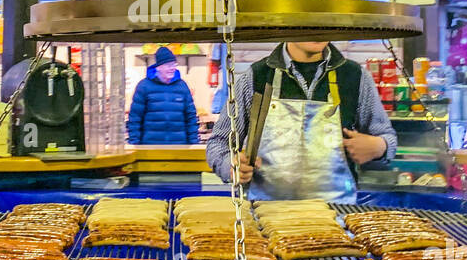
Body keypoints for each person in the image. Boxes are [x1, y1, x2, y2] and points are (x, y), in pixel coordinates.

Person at [206, 39, 397, 203]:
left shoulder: (354, 77)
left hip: (336, 219)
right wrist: (230, 166)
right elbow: (219, 143)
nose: (318, 31)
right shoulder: (256, 77)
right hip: (266, 221)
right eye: (310, 22)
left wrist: (380, 146)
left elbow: (386, 137)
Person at [127, 48, 199, 146]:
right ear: (158, 67)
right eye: (168, 65)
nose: (172, 68)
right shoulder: (144, 86)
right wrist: (134, 143)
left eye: (174, 64)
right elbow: (135, 118)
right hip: (150, 148)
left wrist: (194, 143)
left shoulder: (182, 86)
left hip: (179, 147)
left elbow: (191, 117)